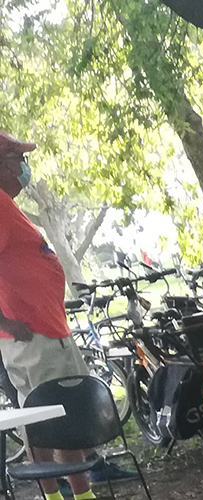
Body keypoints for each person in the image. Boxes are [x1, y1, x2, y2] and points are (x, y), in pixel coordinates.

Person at [0, 132, 109, 500]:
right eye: (19, 160)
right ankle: (80, 495)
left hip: (34, 331)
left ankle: (55, 496)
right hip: (36, 334)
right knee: (62, 417)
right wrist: (6, 323)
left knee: (38, 417)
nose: (24, 168)